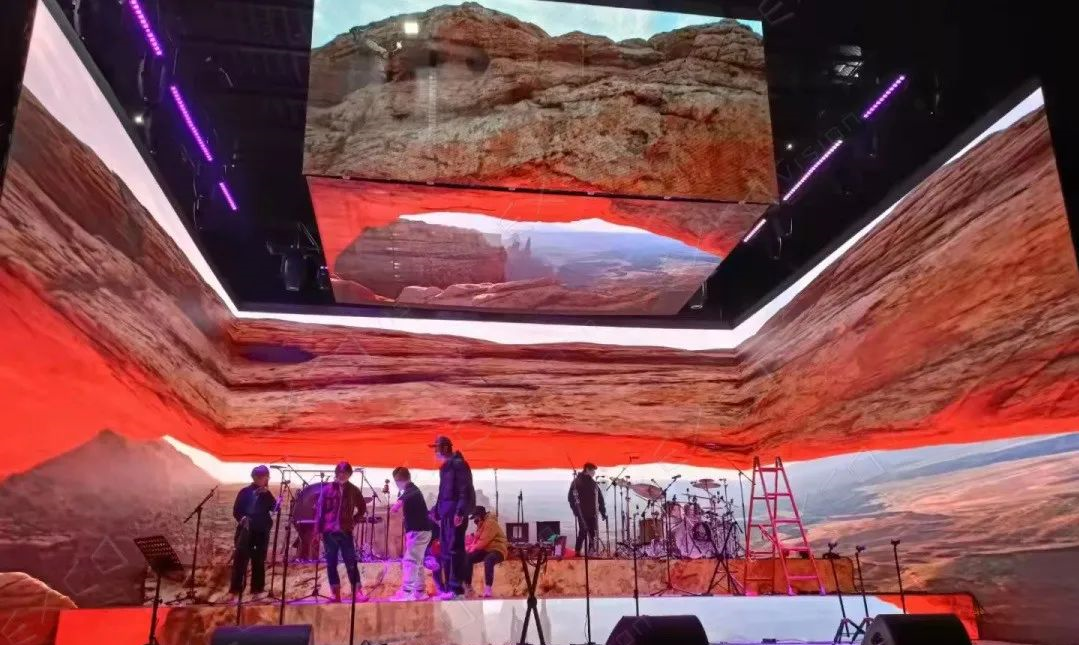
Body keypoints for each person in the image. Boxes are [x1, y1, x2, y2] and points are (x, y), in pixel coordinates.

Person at [430, 436, 475, 600]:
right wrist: (436, 511)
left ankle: (456, 589)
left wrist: (460, 512)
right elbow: (442, 492)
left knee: (455, 550)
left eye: (437, 448)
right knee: (446, 551)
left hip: (455, 514)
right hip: (446, 514)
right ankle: (449, 588)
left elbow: (465, 490)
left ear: (445, 448)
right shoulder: (446, 467)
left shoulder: (459, 464)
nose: (435, 452)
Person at [318, 461, 368, 603]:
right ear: (336, 473)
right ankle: (335, 594)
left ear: (349, 474)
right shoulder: (327, 489)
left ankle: (357, 592)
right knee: (331, 563)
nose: (342, 475)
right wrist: (319, 530)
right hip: (329, 532)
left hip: (345, 531)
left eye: (345, 473)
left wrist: (354, 520)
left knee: (351, 562)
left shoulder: (353, 490)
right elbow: (320, 511)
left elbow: (362, 507)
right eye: (340, 473)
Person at [230, 465, 276, 598]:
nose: (264, 479)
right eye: (261, 477)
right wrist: (243, 519)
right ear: (255, 477)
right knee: (240, 560)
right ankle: (236, 589)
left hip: (261, 532)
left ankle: (257, 589)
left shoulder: (267, 494)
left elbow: (274, 508)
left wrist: (267, 495)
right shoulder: (244, 492)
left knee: (259, 560)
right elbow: (236, 510)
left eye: (266, 477)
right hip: (246, 530)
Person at [389, 466, 433, 601]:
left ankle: (407, 593)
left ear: (398, 480)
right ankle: (420, 591)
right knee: (417, 562)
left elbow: (398, 504)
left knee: (410, 561)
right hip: (421, 531)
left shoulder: (411, 490)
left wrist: (396, 506)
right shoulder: (413, 489)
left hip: (418, 532)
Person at [464, 506, 507, 598]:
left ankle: (488, 588)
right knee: (468, 557)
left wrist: (471, 548)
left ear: (480, 515)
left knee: (489, 559)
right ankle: (468, 586)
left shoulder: (490, 522)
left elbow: (483, 541)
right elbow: (477, 538)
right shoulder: (482, 524)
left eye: (476, 517)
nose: (475, 520)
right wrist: (468, 546)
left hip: (498, 549)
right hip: (486, 549)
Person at [568, 462, 607, 555]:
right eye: (593, 471)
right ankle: (577, 551)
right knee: (583, 532)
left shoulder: (593, 483)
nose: (594, 473)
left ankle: (591, 550)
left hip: (592, 513)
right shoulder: (577, 482)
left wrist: (603, 512)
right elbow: (570, 498)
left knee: (592, 532)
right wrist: (575, 511)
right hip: (581, 513)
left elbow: (600, 498)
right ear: (587, 470)